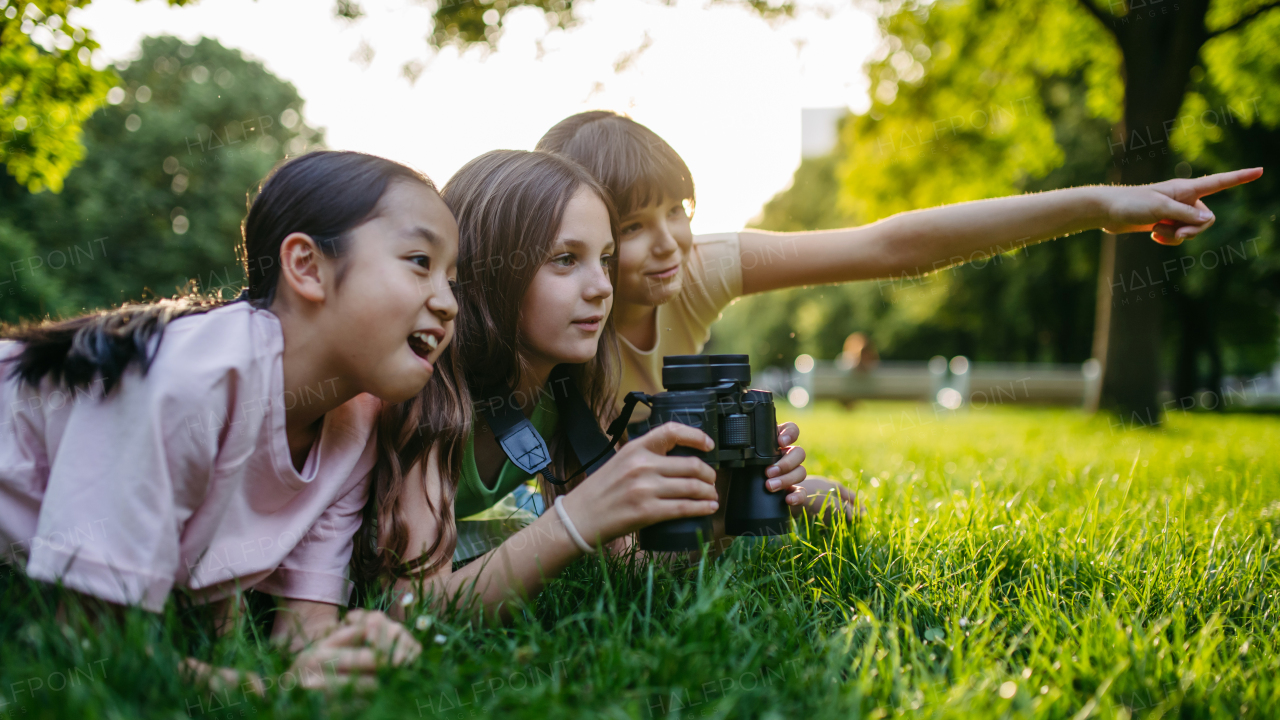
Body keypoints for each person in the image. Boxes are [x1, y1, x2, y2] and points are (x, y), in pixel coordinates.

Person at [535, 111, 1263, 517]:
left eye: (678, 211)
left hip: (651, 506)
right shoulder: (540, 314)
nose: (670, 244)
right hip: (575, 513)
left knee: (827, 507)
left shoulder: (699, 268)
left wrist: (1100, 205)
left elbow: (893, 246)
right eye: (633, 227)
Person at [0, 150, 450, 688]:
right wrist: (263, 691)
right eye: (421, 261)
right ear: (306, 266)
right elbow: (90, 647)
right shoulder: (186, 379)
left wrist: (347, 659)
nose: (448, 303)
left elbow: (302, 635)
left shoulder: (356, 424)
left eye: (454, 277)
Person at [350, 149, 810, 624]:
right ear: (487, 271)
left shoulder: (564, 390)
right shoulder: (425, 387)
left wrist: (728, 507)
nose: (602, 287)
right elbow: (413, 611)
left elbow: (625, 564)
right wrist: (575, 520)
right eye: (566, 259)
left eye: (606, 259)